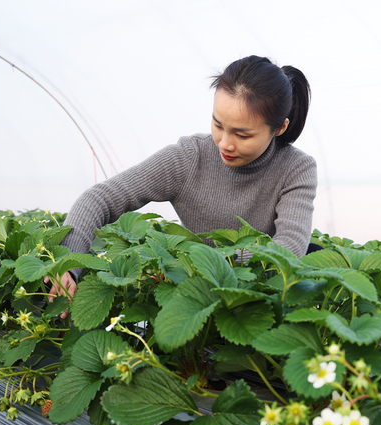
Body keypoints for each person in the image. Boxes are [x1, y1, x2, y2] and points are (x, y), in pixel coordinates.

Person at [47, 55, 317, 304]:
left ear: (279, 127)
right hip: (196, 295)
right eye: (218, 125)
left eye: (242, 135)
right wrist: (68, 264)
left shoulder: (296, 168)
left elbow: (289, 247)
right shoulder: (190, 158)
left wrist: (204, 262)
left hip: (259, 297)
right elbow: (100, 198)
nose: (225, 143)